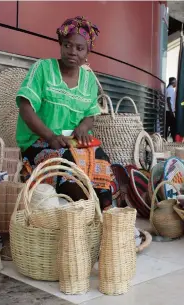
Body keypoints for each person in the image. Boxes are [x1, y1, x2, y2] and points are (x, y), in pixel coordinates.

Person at [16, 16, 112, 210]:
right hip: (40, 141)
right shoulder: (42, 69)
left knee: (102, 159)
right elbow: (26, 108)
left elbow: (90, 114)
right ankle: (81, 212)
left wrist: (84, 127)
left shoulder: (89, 80)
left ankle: (106, 212)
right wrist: (50, 136)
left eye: (79, 48)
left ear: (87, 52)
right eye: (67, 45)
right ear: (60, 44)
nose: (72, 52)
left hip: (74, 143)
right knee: (67, 164)